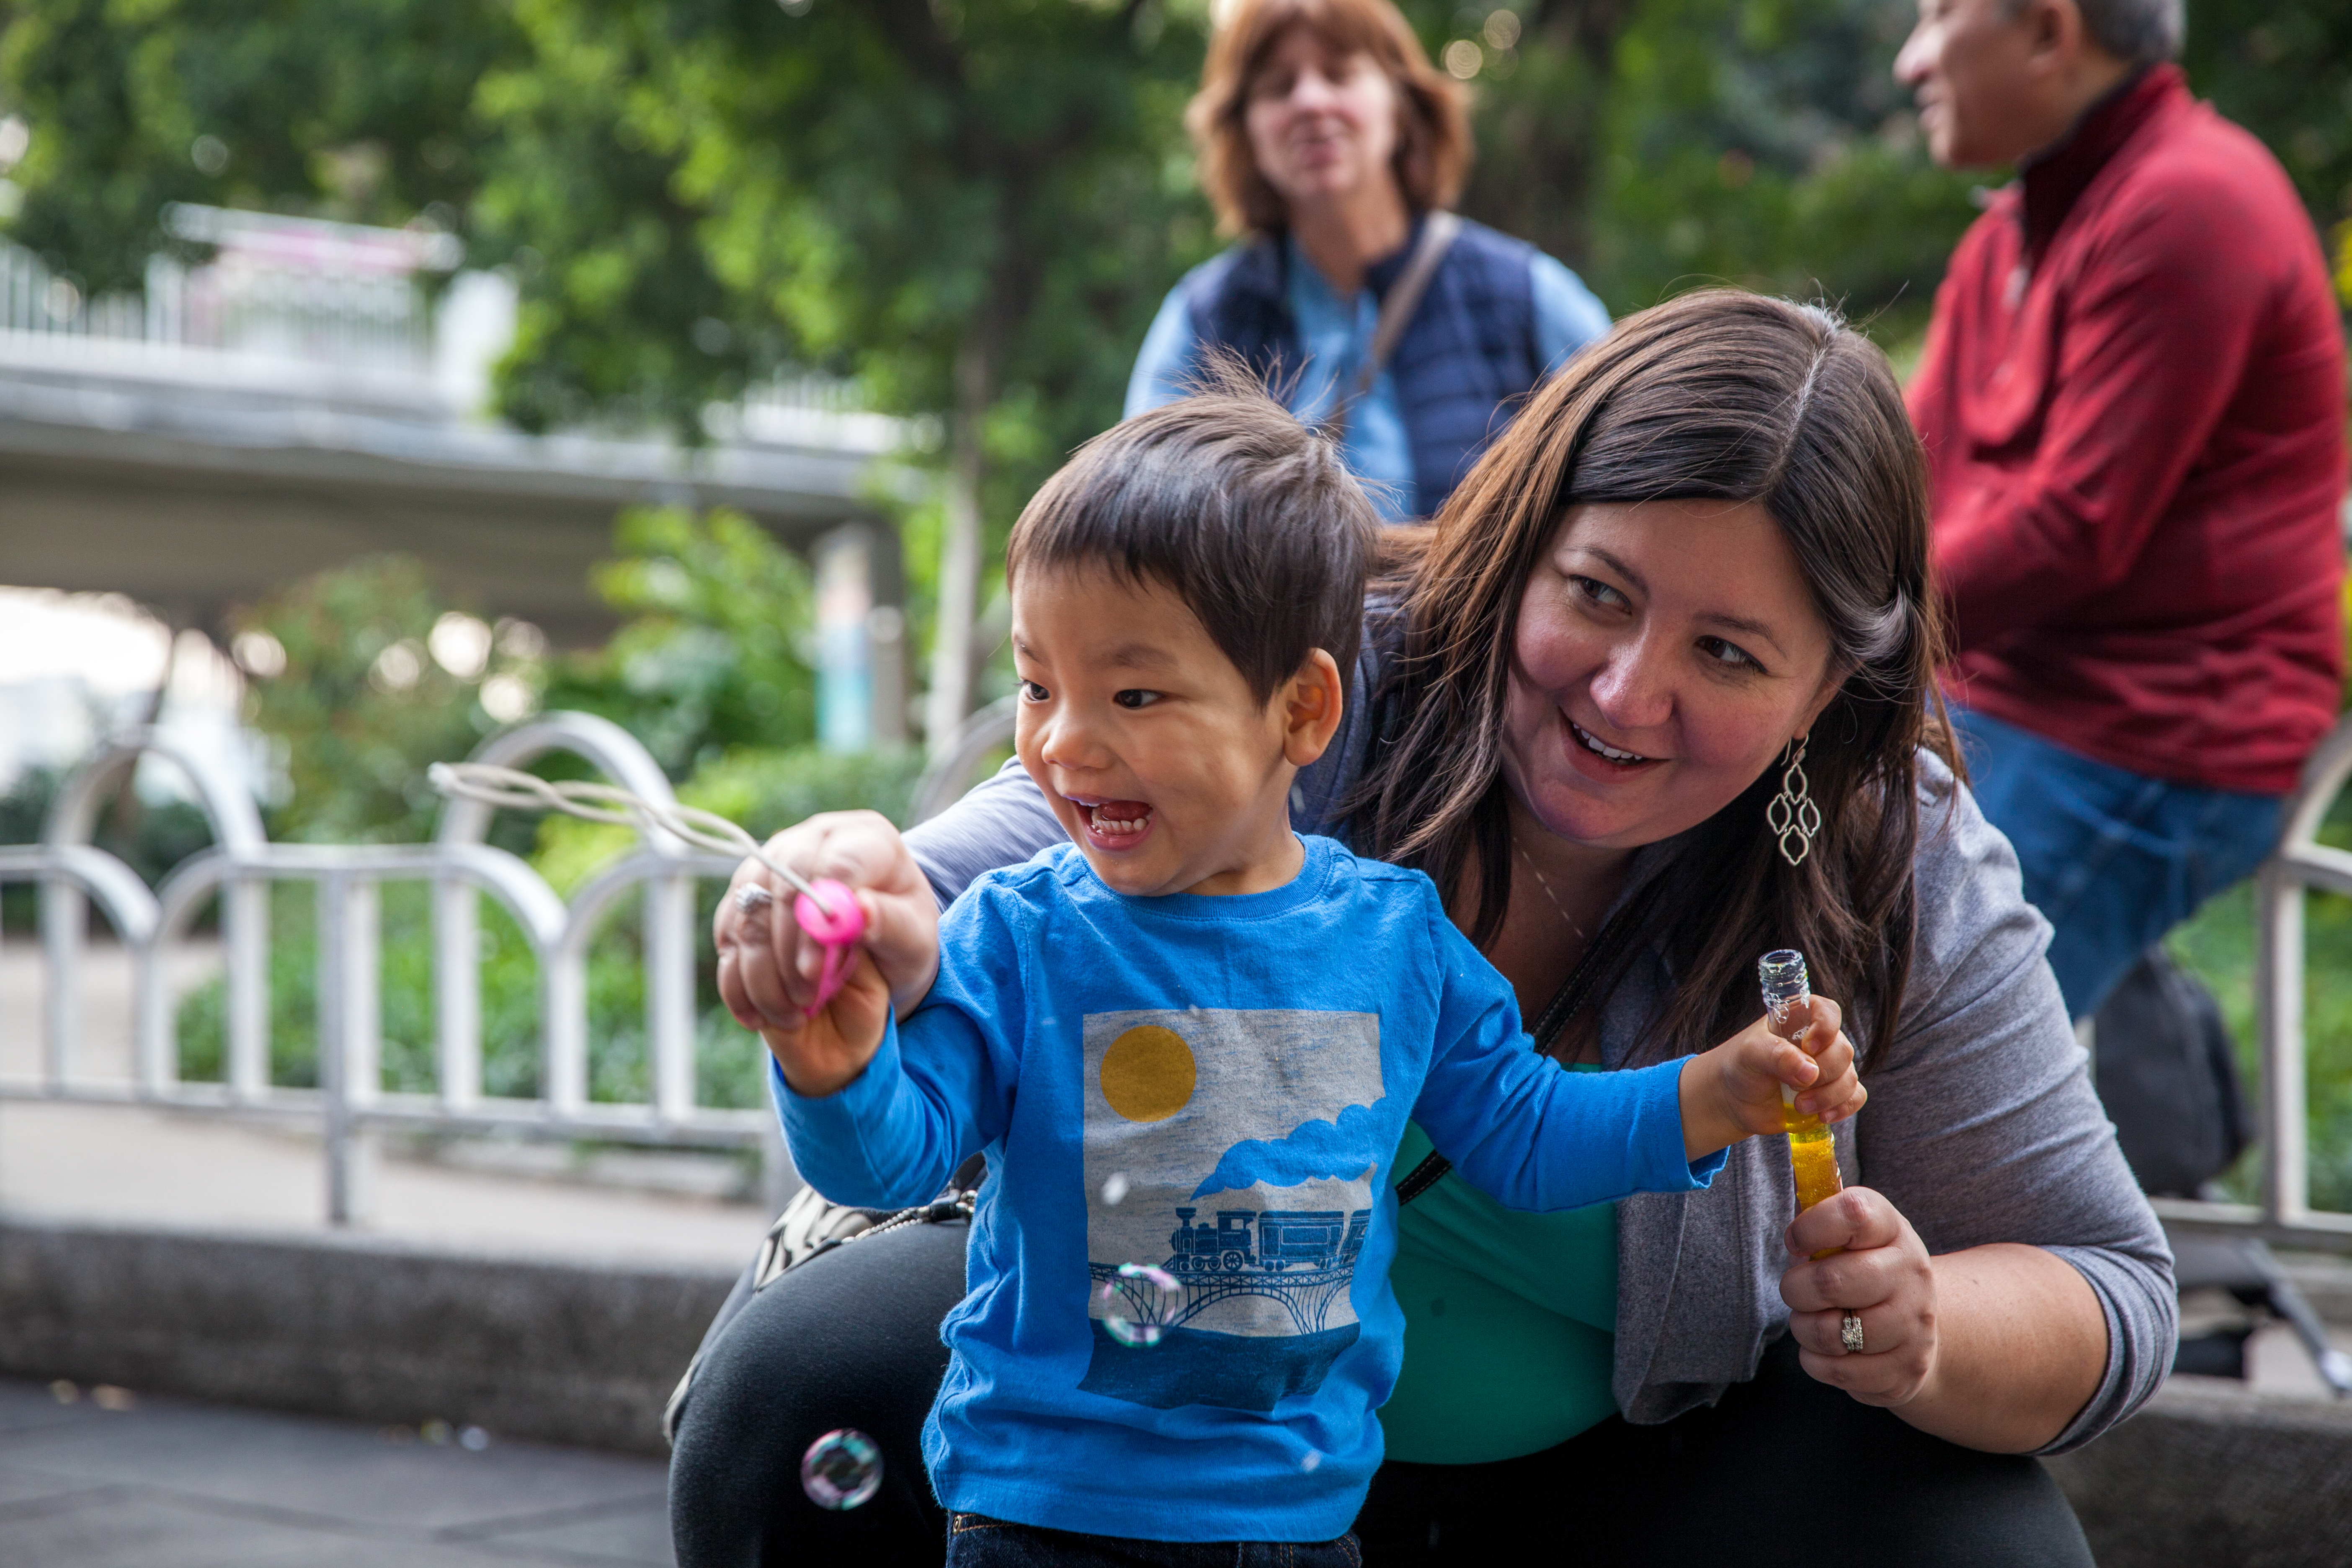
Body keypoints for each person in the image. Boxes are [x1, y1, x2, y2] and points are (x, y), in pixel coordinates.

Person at [680, 292, 2174, 1567]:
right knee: (809, 1378)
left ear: (1826, 695)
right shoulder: (1327, 661)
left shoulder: (1893, 855)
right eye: (1595, 594)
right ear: (1524, 540)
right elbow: (977, 884)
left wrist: (1922, 1321)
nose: (1622, 694)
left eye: (1723, 652)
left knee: (1972, 1540)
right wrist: (844, 905)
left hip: (1611, 1498)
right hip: (1143, 1457)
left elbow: (2100, 1282)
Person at [746, 385, 1863, 1563]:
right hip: (1041, 1512)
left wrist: (1718, 1094)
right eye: (1038, 686)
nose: (1065, 742)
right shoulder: (1019, 934)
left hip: (1301, 1519)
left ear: (1303, 708)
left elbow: (1531, 1135)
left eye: (1135, 694)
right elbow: (892, 1158)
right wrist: (833, 1068)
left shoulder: (1397, 939)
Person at [1898, 0, 2349, 1020]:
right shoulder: (2012, 230)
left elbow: (2072, 528)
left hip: (2147, 731)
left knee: (1907, 1037)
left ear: (2050, 34)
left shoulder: (2194, 201)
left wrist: (1837, 632)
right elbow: (1905, 480)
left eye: (1935, 16)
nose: (1908, 62)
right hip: (2001, 696)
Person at [1127, 0, 1609, 520]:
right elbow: (1145, 523)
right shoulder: (1203, 321)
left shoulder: (1525, 294)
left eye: (1340, 74)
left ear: (1401, 106)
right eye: (1277, 87)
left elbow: (1628, 491)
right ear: (1247, 131)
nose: (1310, 101)